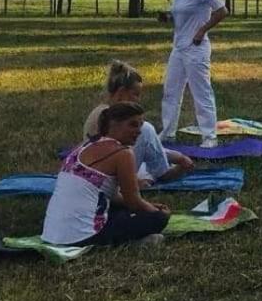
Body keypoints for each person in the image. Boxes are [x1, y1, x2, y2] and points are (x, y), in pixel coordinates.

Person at [43, 101, 171, 247]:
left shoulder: (85, 145)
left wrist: (147, 205)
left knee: (121, 210)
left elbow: (112, 196)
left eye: (140, 126)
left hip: (51, 234)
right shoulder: (122, 153)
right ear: (114, 124)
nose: (139, 131)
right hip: (83, 236)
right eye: (133, 125)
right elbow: (133, 202)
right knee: (157, 218)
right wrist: (156, 211)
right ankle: (130, 242)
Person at [158, 0, 228, 148]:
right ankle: (168, 132)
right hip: (178, 48)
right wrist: (168, 18)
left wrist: (201, 31)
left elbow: (222, 10)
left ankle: (209, 137)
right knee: (170, 91)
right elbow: (181, 17)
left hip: (196, 49)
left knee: (201, 92)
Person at [85, 61, 195, 186]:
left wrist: (176, 156)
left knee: (145, 161)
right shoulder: (112, 119)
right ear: (121, 93)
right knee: (145, 129)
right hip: (105, 174)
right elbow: (112, 154)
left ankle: (152, 173)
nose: (138, 100)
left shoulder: (102, 111)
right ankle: (162, 172)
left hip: (94, 169)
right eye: (135, 94)